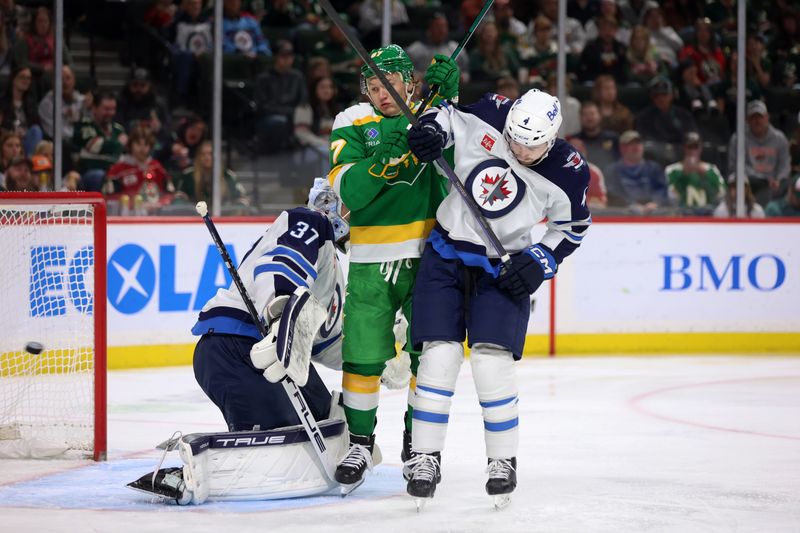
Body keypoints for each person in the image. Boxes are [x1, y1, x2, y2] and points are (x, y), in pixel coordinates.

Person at [402, 88, 591, 505]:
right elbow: (446, 115)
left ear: (552, 137)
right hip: (447, 250)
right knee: (439, 355)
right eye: (515, 140)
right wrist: (432, 129)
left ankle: (503, 461)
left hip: (504, 268)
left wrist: (541, 259)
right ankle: (424, 455)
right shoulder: (490, 112)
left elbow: (572, 228)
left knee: (491, 362)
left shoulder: (569, 171)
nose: (520, 149)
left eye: (532, 144)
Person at [129, 180, 353, 505]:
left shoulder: (332, 267)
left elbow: (319, 342)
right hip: (234, 347)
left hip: (265, 354)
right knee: (275, 443)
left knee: (326, 420)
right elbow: (280, 262)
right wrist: (280, 311)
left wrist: (375, 360)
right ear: (337, 204)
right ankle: (190, 470)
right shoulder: (309, 219)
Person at [326, 44, 458, 492]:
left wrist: (449, 110)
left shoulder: (435, 114)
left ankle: (420, 446)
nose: (382, 92)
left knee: (429, 356)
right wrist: (387, 157)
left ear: (410, 82)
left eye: (391, 82)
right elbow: (351, 191)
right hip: (369, 260)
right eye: (373, 84)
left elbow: (461, 171)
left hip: (432, 257)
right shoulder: (353, 121)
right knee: (362, 355)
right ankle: (360, 444)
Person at [727, 100, 791, 207]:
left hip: (776, 186)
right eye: (753, 118)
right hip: (750, 184)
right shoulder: (738, 138)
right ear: (747, 120)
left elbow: (785, 166)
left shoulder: (780, 138)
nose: (757, 121)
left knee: (790, 182)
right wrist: (763, 179)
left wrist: (778, 179)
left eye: (760, 117)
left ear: (767, 117)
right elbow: (735, 166)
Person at [104, 126, 174, 215]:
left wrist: (160, 203)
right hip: (126, 218)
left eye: (146, 144)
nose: (142, 148)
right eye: (138, 144)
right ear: (131, 144)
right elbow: (110, 199)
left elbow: (169, 194)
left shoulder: (157, 167)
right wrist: (134, 204)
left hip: (156, 217)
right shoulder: (118, 170)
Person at [254, 40, 306, 153]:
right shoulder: (263, 79)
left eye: (290, 56)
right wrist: (288, 112)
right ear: (275, 57)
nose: (287, 59)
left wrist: (295, 113)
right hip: (270, 118)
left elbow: (303, 100)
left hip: (294, 116)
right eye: (283, 56)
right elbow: (262, 106)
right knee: (280, 121)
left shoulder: (297, 77)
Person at [73, 90, 127, 192]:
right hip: (90, 175)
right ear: (94, 108)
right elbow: (95, 146)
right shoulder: (83, 126)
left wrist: (105, 145)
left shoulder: (118, 129)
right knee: (99, 176)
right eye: (106, 109)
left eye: (113, 109)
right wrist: (118, 143)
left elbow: (123, 151)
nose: (110, 113)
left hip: (116, 174)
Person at [604, 129, 669, 214]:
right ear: (622, 148)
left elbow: (662, 190)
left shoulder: (654, 168)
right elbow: (613, 194)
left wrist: (655, 203)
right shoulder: (612, 170)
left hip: (653, 212)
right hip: (625, 214)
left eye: (638, 143)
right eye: (631, 144)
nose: (636, 147)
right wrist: (631, 204)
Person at [665, 132, 725, 214]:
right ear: (684, 148)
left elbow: (722, 194)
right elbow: (671, 197)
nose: (692, 151)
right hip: (682, 214)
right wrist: (683, 175)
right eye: (690, 147)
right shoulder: (672, 170)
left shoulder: (711, 169)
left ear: (700, 149)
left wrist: (706, 177)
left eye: (695, 147)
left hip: (708, 214)